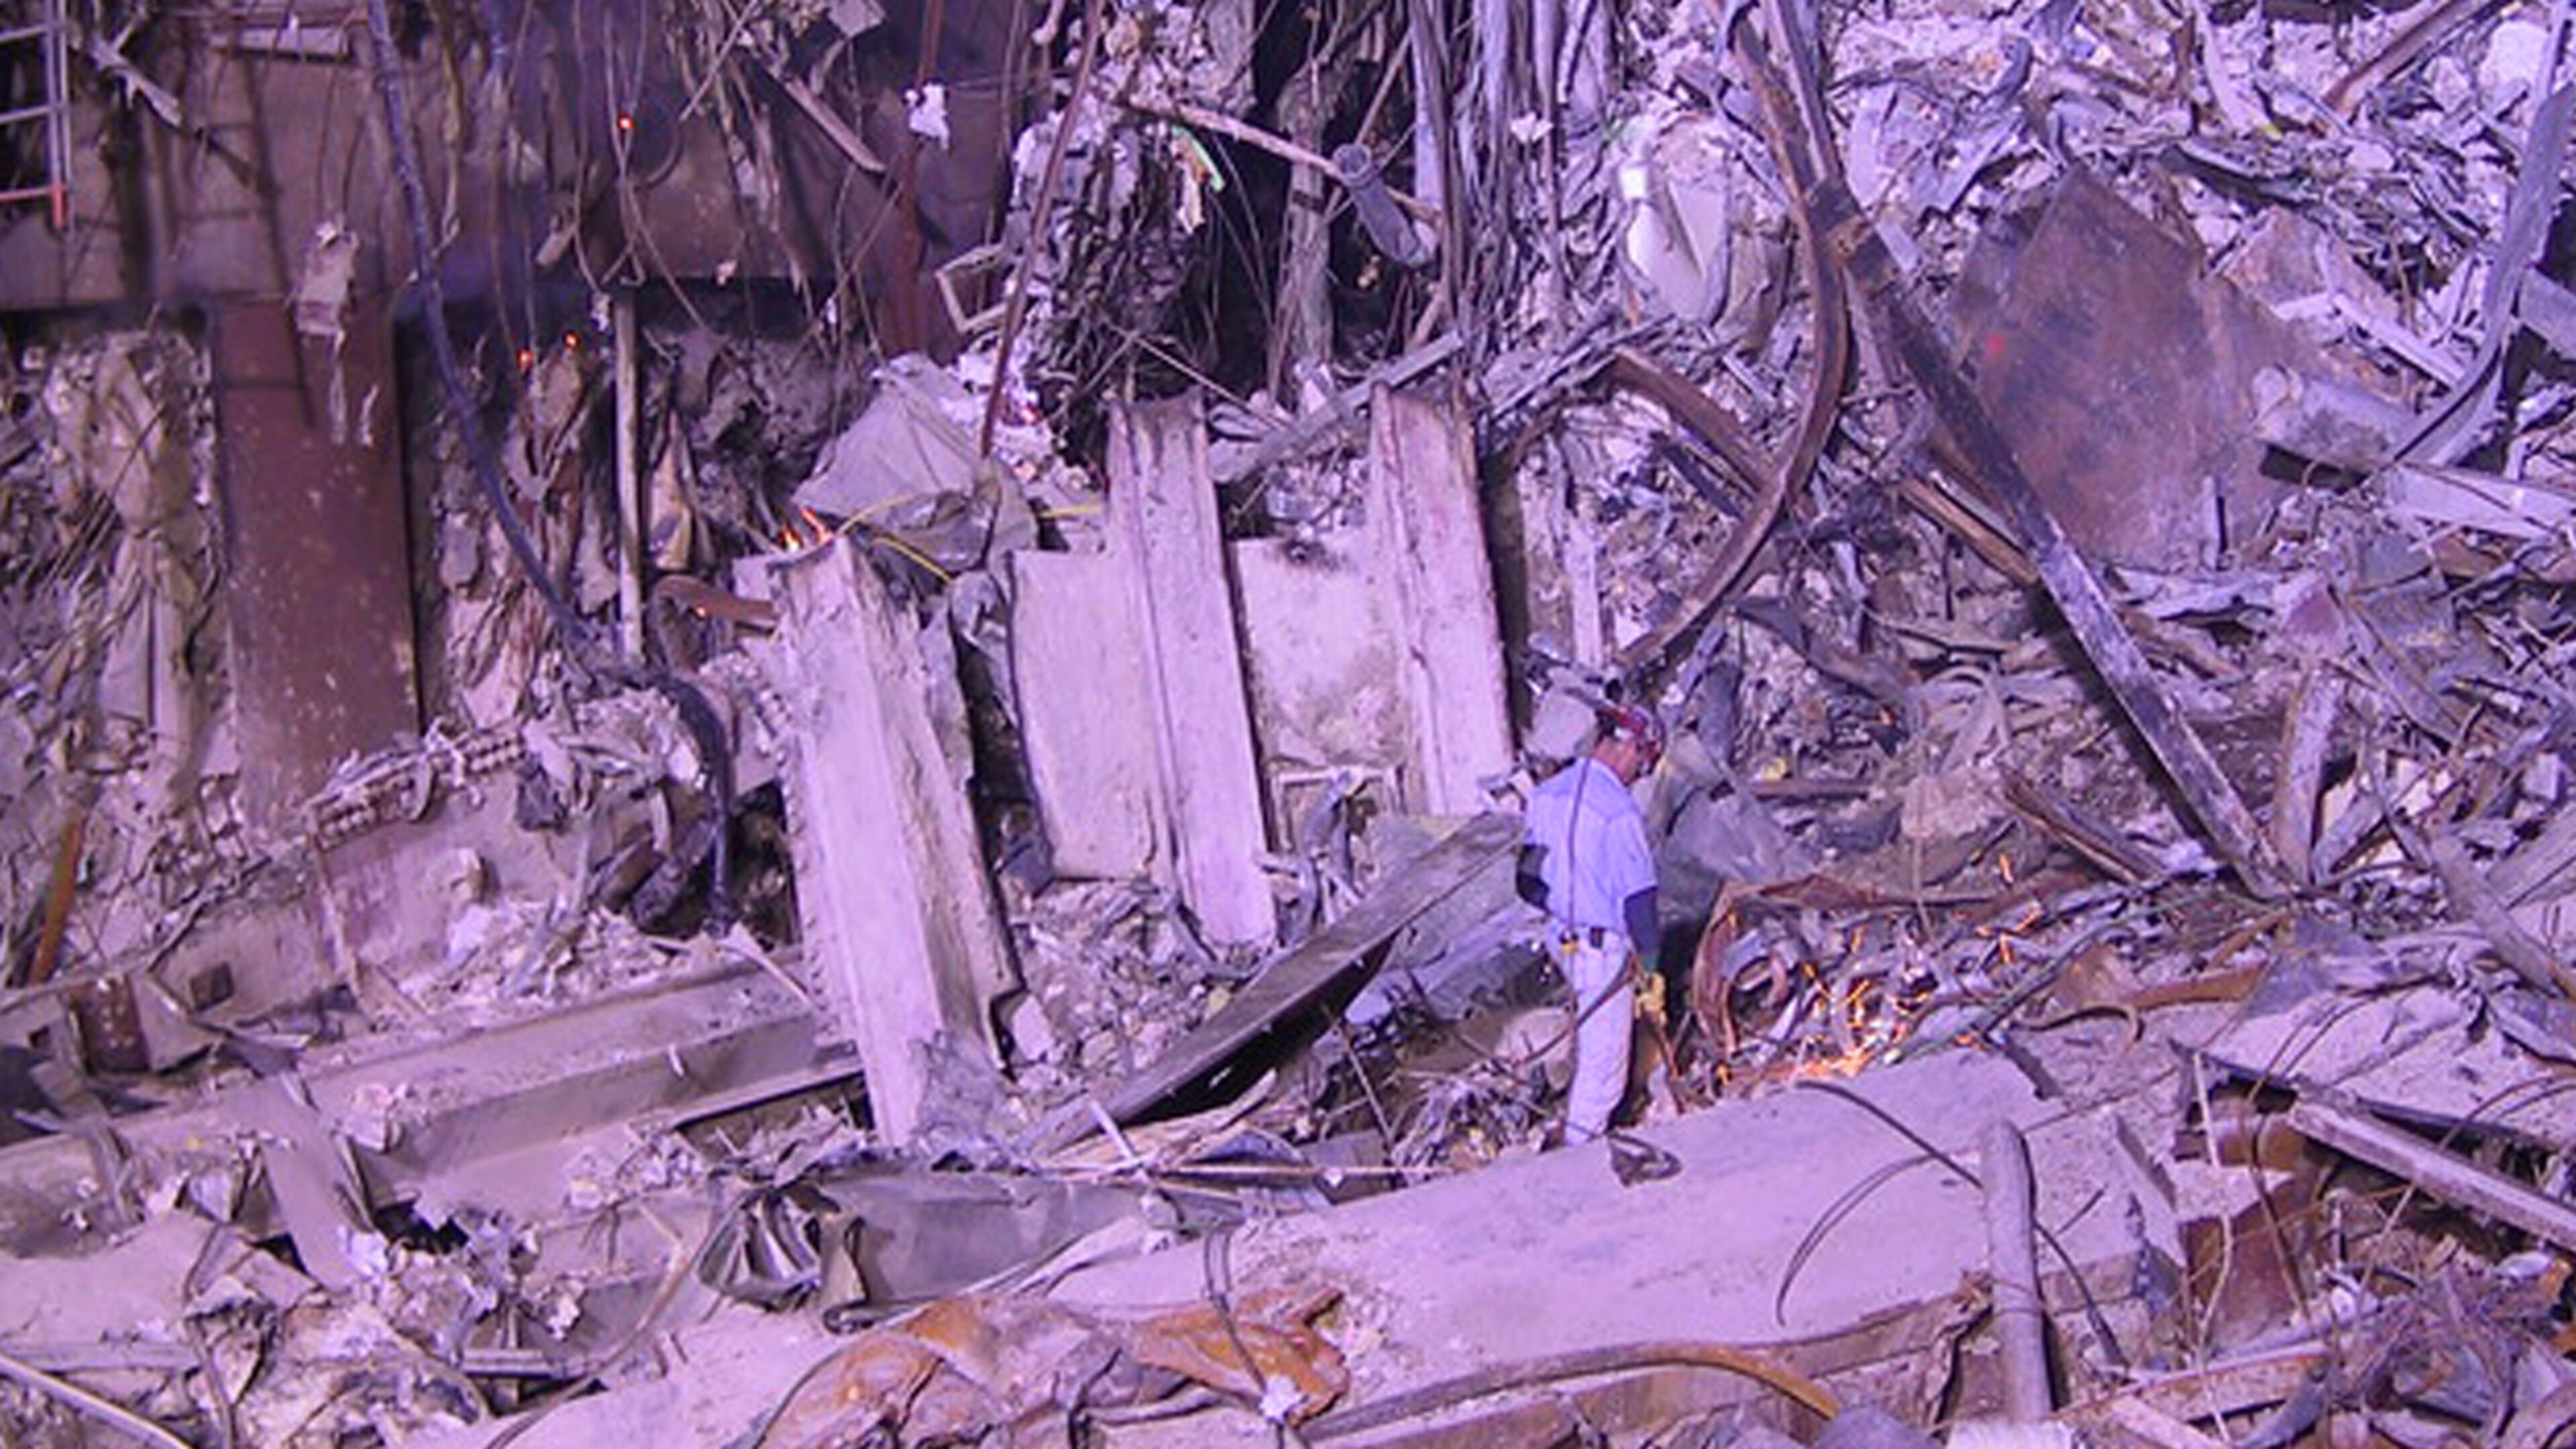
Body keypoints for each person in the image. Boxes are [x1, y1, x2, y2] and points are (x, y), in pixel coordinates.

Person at [1517, 704, 1664, 1144]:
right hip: (1602, 952)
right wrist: (1652, 971)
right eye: (1644, 762)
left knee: (1589, 1033)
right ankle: (1576, 1161)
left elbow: (1526, 882)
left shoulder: (1546, 795)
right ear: (1628, 747)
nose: (1641, 774)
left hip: (1559, 940)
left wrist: (1567, 901)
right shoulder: (1618, 811)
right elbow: (1640, 901)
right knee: (1604, 1075)